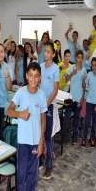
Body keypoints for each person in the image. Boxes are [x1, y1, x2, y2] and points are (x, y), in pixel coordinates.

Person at [7, 62, 47, 191]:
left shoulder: (42, 95)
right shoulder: (20, 92)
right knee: (21, 173)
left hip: (35, 142)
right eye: (31, 75)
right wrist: (20, 114)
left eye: (36, 76)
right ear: (26, 75)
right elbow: (9, 110)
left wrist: (41, 142)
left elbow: (43, 120)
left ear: (40, 77)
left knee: (32, 175)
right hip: (23, 142)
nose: (33, 79)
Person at [40, 43, 59, 179]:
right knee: (39, 133)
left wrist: (46, 104)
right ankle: (40, 161)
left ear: (53, 54)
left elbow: (55, 90)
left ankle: (49, 165)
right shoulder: (40, 66)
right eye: (45, 51)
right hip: (40, 105)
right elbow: (39, 85)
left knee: (48, 136)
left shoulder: (55, 68)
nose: (46, 53)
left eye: (48, 52)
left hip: (49, 105)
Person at [81, 57, 96, 148]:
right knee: (87, 121)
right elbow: (84, 86)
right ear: (91, 66)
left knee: (94, 122)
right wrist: (84, 79)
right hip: (89, 102)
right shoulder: (89, 74)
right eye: (93, 65)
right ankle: (84, 138)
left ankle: (92, 138)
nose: (94, 67)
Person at [64, 50, 87, 144]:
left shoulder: (84, 70)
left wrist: (82, 98)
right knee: (67, 117)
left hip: (78, 99)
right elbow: (66, 79)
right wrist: (72, 74)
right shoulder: (71, 67)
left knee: (77, 119)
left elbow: (84, 85)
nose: (80, 59)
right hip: (70, 98)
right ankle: (64, 137)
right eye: (78, 57)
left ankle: (75, 136)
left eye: (81, 57)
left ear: (83, 59)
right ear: (75, 58)